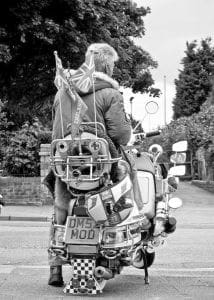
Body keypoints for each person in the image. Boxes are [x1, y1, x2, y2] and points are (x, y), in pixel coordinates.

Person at [47, 43, 144, 286]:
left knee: (59, 207)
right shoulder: (110, 94)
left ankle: (55, 268)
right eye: (113, 65)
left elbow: (56, 131)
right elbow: (121, 135)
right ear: (108, 66)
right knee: (128, 171)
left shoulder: (62, 93)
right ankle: (131, 225)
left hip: (68, 165)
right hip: (102, 165)